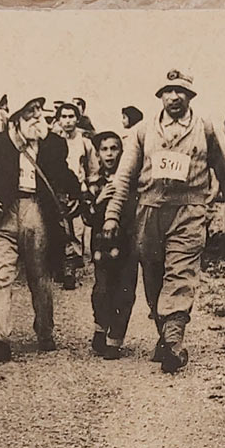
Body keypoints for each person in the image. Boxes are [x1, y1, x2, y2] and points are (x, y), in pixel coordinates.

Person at [104, 70, 225, 373]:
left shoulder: (205, 128)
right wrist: (112, 215)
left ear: (190, 96)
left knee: (180, 275)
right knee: (154, 278)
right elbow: (124, 177)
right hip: (149, 212)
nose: (174, 97)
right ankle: (166, 337)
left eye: (180, 91)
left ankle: (174, 343)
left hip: (189, 212)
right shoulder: (144, 131)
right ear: (160, 96)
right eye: (168, 91)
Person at [0, 94, 80, 364]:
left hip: (37, 211)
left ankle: (45, 330)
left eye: (39, 111)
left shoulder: (53, 144)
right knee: (0, 273)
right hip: (5, 214)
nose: (36, 117)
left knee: (40, 274)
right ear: (16, 118)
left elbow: (63, 173)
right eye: (29, 112)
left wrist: (77, 193)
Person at [86, 129, 138, 359]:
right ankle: (101, 325)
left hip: (127, 241)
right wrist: (99, 200)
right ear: (98, 154)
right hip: (101, 243)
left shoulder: (130, 181)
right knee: (102, 289)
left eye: (114, 148)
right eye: (104, 149)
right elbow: (87, 216)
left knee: (125, 289)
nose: (109, 154)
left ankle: (115, 339)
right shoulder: (94, 183)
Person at [53, 102, 98, 289]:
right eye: (64, 117)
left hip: (77, 189)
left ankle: (70, 267)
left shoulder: (85, 142)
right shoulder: (52, 140)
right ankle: (59, 265)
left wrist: (89, 190)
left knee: (75, 229)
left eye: (71, 116)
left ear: (77, 119)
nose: (67, 121)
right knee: (58, 228)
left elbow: (92, 168)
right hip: (56, 189)